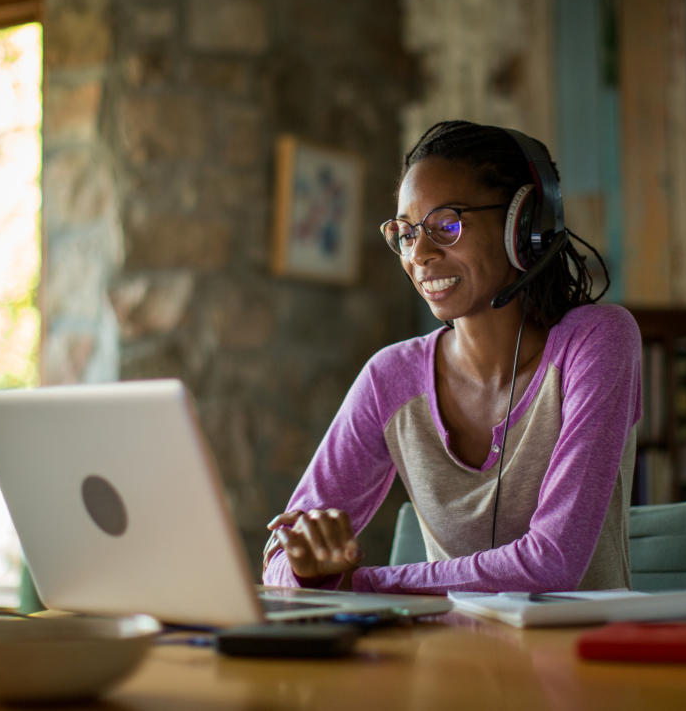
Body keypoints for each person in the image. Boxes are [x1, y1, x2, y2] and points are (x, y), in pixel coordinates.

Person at [262, 120, 642, 594]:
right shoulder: (389, 378)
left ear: (524, 226)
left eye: (447, 225)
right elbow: (280, 556)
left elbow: (553, 563)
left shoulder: (598, 343)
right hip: (449, 663)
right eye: (405, 232)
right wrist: (302, 568)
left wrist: (355, 584)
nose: (419, 253)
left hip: (581, 661)